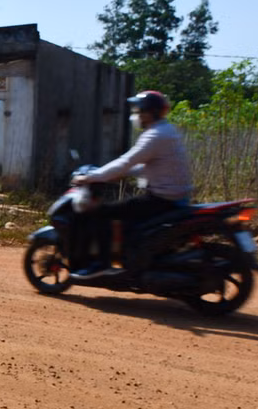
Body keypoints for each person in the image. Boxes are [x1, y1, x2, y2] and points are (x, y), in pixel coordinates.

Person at [70, 90, 194, 277]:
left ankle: (102, 264)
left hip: (162, 199)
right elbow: (148, 167)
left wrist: (91, 177)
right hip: (176, 197)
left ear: (149, 112)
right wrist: (120, 174)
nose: (136, 115)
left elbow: (126, 161)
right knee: (127, 218)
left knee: (102, 214)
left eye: (139, 110)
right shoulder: (167, 131)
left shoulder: (154, 136)